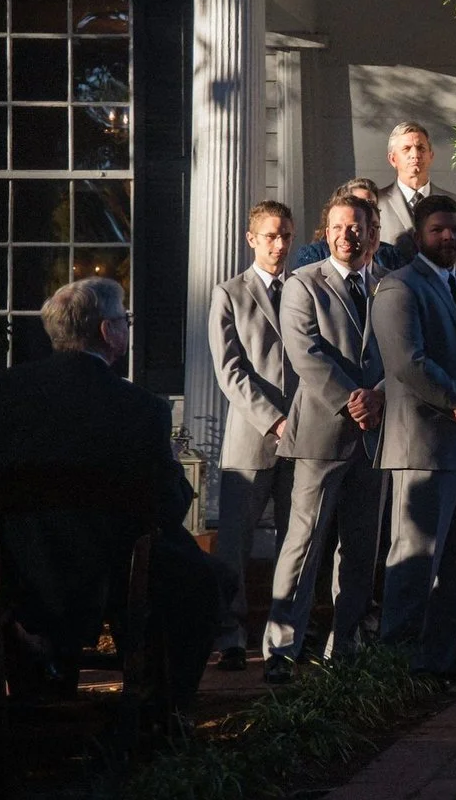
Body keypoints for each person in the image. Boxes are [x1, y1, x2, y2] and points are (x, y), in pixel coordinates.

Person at [0, 278, 221, 716]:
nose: (127, 326)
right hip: (109, 577)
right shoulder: (140, 408)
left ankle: (35, 688)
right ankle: (160, 714)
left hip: (15, 572)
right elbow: (164, 506)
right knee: (205, 582)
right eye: (124, 318)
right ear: (108, 333)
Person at [373, 194, 456, 682]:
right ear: (418, 234)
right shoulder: (398, 288)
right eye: (438, 230)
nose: (449, 237)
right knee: (414, 564)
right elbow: (407, 363)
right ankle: (397, 669)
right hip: (423, 449)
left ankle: (444, 656)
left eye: (455, 229)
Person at [263, 194, 386, 684]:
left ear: (370, 231)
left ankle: (346, 646)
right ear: (325, 232)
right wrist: (352, 399)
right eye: (337, 226)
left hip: (376, 436)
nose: (346, 235)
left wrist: (378, 396)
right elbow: (305, 352)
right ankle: (281, 648)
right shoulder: (303, 284)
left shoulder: (391, 286)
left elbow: (404, 352)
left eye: (355, 226)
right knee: (304, 542)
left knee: (360, 549)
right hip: (321, 433)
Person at [208, 200, 298, 673]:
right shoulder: (229, 294)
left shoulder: (303, 287)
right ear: (251, 238)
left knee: (295, 541)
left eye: (286, 235)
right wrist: (273, 419)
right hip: (252, 436)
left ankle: (282, 640)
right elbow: (229, 371)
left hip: (303, 439)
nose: (280, 244)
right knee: (234, 545)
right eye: (270, 236)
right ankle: (230, 636)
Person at [376, 122, 456, 265]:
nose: (415, 155)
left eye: (421, 148)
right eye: (406, 149)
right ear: (392, 159)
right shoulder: (377, 204)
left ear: (431, 155)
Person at [294, 177, 403, 271]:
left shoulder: (391, 256)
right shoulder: (315, 254)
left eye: (371, 204)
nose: (366, 211)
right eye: (358, 203)